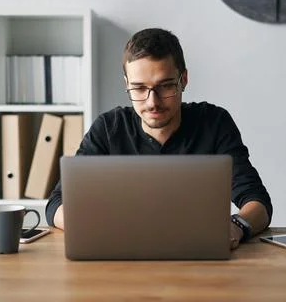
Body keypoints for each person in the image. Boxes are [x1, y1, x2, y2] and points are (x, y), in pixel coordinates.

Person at [45, 28, 272, 249]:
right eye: (139, 88)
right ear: (127, 84)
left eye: (165, 86)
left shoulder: (214, 122)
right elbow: (57, 203)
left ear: (183, 79)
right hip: (121, 259)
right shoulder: (108, 128)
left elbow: (257, 201)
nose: (152, 101)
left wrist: (237, 225)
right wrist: (95, 227)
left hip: (200, 261)